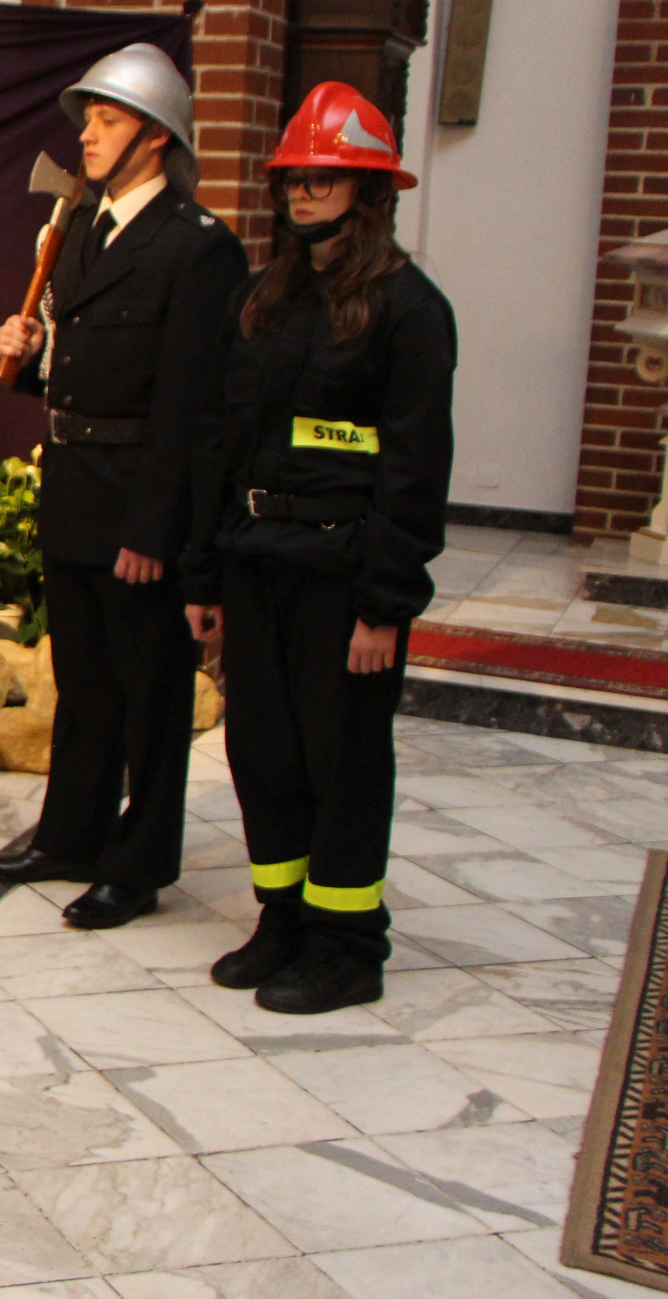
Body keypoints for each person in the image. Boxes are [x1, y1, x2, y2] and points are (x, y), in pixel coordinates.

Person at [182, 83, 455, 1015]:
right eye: (293, 178)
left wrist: (386, 603)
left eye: (324, 177)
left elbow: (414, 468)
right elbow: (221, 441)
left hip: (345, 575)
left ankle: (347, 943)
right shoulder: (262, 301)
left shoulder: (410, 310)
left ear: (369, 189)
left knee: (343, 758)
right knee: (262, 750)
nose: (302, 192)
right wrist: (205, 572)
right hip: (256, 557)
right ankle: (285, 918)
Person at [0, 43, 247, 928]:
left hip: (139, 501)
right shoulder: (79, 230)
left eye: (106, 120)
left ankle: (138, 864)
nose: (87, 136)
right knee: (85, 682)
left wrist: (155, 529)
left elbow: (190, 408)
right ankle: (72, 834)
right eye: (87, 121)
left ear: (156, 136)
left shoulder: (199, 249)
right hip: (76, 488)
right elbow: (82, 372)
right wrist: (29, 359)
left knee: (150, 696)